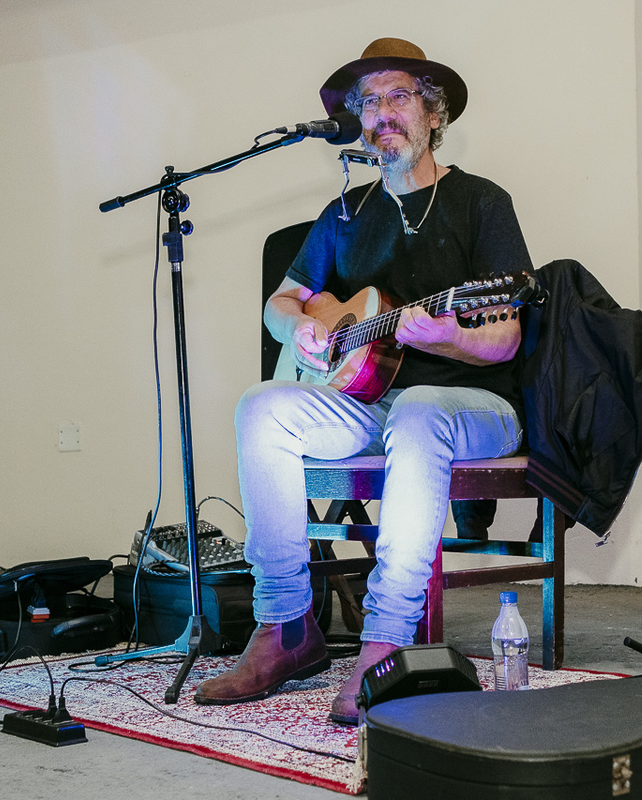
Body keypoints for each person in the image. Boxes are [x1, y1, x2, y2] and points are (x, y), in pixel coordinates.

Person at [194, 37, 533, 725]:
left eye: (399, 96)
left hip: (474, 405)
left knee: (420, 412)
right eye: (369, 101)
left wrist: (451, 337)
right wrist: (303, 330)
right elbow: (282, 302)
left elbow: (506, 339)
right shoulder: (346, 213)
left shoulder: (481, 203)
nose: (383, 113)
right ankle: (286, 627)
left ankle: (386, 638)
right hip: (371, 402)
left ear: (433, 115)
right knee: (261, 407)